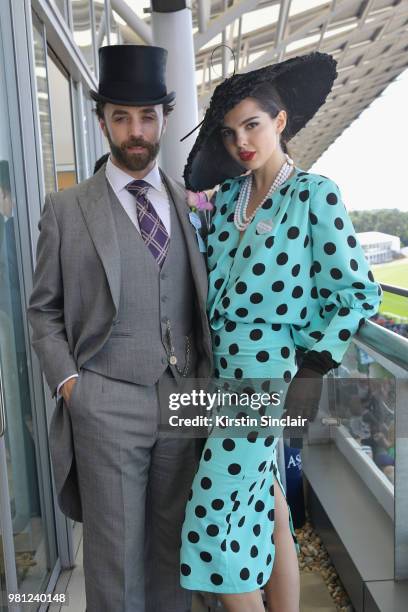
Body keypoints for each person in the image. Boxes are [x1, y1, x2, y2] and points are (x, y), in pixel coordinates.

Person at [180, 52, 382, 611]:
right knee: (269, 503)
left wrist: (311, 368)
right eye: (230, 132)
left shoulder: (316, 194)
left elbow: (358, 292)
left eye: (253, 125)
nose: (242, 141)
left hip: (271, 378)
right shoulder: (225, 203)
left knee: (212, 520)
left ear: (280, 122)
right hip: (224, 377)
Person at [28, 45, 212, 612]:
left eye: (148, 116)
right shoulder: (66, 209)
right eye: (122, 117)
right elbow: (43, 310)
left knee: (175, 550)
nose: (136, 131)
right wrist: (71, 386)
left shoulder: (190, 204)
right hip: (105, 400)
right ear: (102, 118)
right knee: (115, 560)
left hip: (184, 397)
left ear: (164, 118)